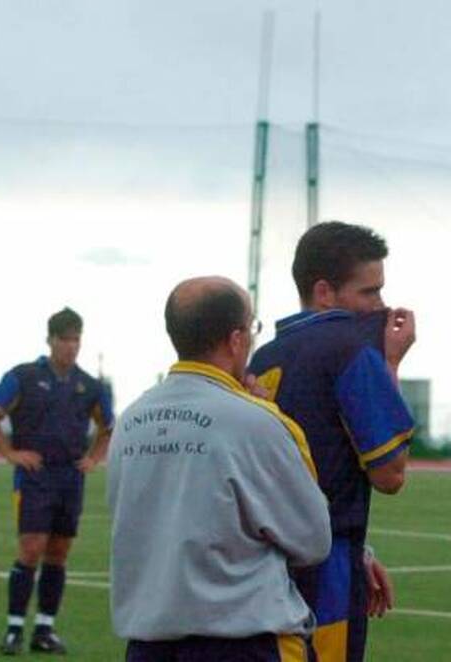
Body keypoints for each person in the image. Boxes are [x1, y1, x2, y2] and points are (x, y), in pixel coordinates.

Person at [108, 277, 330, 661]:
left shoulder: (130, 420)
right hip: (245, 641)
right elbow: (312, 540)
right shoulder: (258, 421)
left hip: (149, 643)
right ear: (236, 339)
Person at [248, 221, 416, 662]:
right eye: (369, 291)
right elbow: (391, 473)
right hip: (328, 566)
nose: (381, 305)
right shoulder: (351, 350)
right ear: (324, 292)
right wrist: (391, 365)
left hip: (263, 565)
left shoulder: (263, 357)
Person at [0, 307, 114, 655]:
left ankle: (45, 629)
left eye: (76, 339)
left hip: (70, 476)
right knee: (31, 547)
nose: (71, 346)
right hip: (35, 476)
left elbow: (107, 427)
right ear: (50, 340)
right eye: (65, 339)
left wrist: (94, 458)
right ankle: (13, 628)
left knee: (59, 551)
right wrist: (10, 453)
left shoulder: (90, 386)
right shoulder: (23, 376)